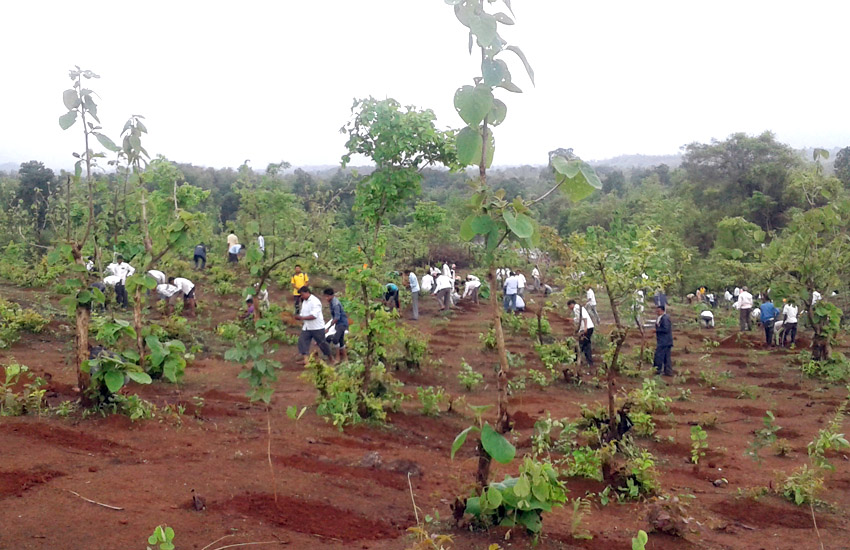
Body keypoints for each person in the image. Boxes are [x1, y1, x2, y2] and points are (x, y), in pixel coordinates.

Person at [294, 286, 332, 362]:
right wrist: (300, 316)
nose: (301, 296)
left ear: (307, 292)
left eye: (302, 294)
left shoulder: (315, 301)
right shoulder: (305, 301)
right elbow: (304, 312)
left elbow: (314, 316)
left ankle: (331, 358)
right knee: (302, 341)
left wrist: (301, 318)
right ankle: (306, 360)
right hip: (307, 327)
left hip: (317, 327)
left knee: (322, 343)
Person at [323, 288, 349, 362]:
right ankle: (345, 359)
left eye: (327, 296)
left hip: (342, 323)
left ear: (332, 296)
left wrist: (329, 327)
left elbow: (336, 318)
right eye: (325, 296)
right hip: (339, 324)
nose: (326, 298)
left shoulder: (335, 304)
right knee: (340, 341)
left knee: (335, 339)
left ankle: (337, 358)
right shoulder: (332, 302)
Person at [568, 299, 594, 366]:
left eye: (569, 306)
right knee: (586, 345)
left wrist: (585, 327)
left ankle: (576, 360)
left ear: (571, 305)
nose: (569, 308)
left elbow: (584, 317)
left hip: (587, 328)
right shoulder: (579, 308)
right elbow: (579, 318)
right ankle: (589, 362)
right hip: (590, 327)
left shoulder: (576, 308)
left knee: (581, 345)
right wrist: (573, 320)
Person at [654, 304, 673, 376]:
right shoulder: (661, 318)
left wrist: (656, 330)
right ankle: (667, 371)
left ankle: (658, 370)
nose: (657, 312)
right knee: (666, 357)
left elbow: (666, 329)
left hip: (664, 341)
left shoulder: (665, 318)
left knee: (659, 355)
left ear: (662, 311)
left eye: (658, 311)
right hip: (665, 341)